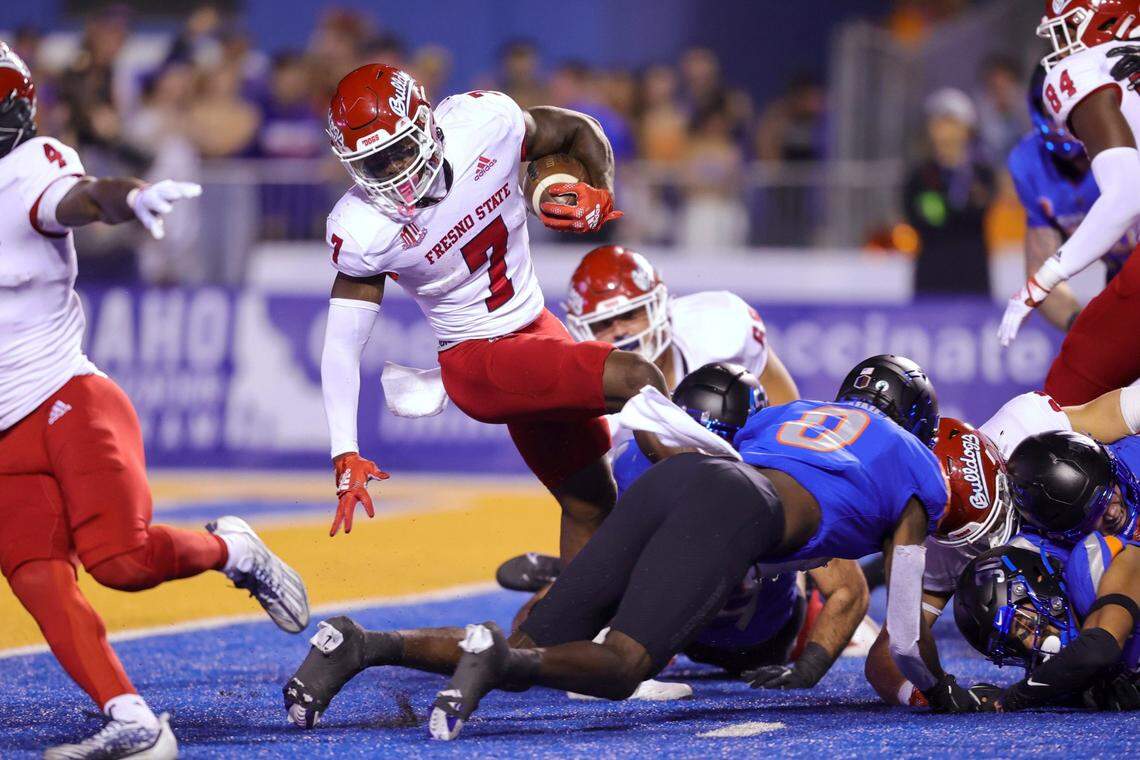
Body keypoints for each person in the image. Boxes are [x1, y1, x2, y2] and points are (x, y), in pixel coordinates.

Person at [282, 354, 964, 739]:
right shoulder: (917, 469)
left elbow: (710, 464)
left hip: (685, 480)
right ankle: (492, 660)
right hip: (735, 506)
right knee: (621, 667)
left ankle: (362, 644)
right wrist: (940, 689)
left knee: (542, 635)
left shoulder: (790, 416)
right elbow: (903, 633)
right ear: (919, 422)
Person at [0, 43, 309, 759]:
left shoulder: (28, 167)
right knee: (38, 577)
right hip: (4, 435)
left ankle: (232, 548)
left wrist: (130, 198)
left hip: (66, 400)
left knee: (123, 563)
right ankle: (134, 720)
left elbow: (81, 197)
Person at [317, 64, 657, 576]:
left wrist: (601, 191)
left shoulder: (484, 123)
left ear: (427, 123)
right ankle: (708, 515)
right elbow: (342, 344)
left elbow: (575, 129)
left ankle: (569, 631)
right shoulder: (364, 228)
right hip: (476, 358)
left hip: (536, 326)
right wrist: (345, 452)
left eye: (400, 151)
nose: (394, 174)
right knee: (637, 378)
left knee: (591, 500)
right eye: (374, 164)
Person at [496, 246, 799, 591]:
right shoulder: (587, 411)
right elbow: (600, 513)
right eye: (604, 325)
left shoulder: (720, 325)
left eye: (630, 315)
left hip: (746, 476)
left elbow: (785, 415)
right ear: (580, 329)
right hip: (655, 524)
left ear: (659, 305)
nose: (621, 333)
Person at [865, 385, 1140, 705]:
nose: (999, 530)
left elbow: (1126, 409)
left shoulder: (1026, 426)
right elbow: (889, 652)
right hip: (1076, 563)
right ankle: (1092, 675)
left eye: (1001, 512)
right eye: (984, 528)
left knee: (1092, 563)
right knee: (1004, 595)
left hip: (1119, 511)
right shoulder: (943, 546)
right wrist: (935, 696)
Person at [999, 1, 1140, 405]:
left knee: (1064, 400)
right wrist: (1082, 321)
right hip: (1121, 273)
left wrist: (1042, 281)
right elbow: (1039, 256)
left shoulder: (1083, 76)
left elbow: (1124, 194)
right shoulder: (1030, 163)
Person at [1007, 64, 1138, 333]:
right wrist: (1084, 328)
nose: (1063, 117)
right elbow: (1040, 268)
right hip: (1121, 284)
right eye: (1054, 107)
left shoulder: (1130, 132)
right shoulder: (1029, 163)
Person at [955, 542, 1140, 711]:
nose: (1032, 646)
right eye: (1014, 645)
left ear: (1039, 582)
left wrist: (1010, 699)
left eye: (1024, 626)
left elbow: (1096, 650)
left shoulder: (1095, 570)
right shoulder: (1057, 665)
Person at [904, 88, 994, 296]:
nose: (942, 129)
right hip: (932, 278)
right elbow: (925, 219)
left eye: (950, 122)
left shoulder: (981, 174)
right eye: (937, 122)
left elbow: (978, 214)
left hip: (972, 278)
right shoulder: (920, 177)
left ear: (966, 129)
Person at [1007, 430, 1140, 546]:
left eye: (1110, 491)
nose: (1113, 512)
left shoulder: (1134, 455)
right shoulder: (1056, 560)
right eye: (1095, 514)